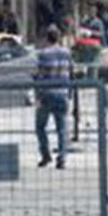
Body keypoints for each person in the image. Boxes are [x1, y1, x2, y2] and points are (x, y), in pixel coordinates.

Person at [34, 25, 73, 169]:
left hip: (47, 93)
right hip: (62, 93)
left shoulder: (43, 54)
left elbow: (39, 76)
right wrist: (70, 95)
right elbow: (71, 74)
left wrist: (37, 95)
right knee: (61, 128)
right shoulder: (66, 53)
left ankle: (45, 155)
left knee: (40, 127)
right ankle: (62, 157)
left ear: (46, 38)